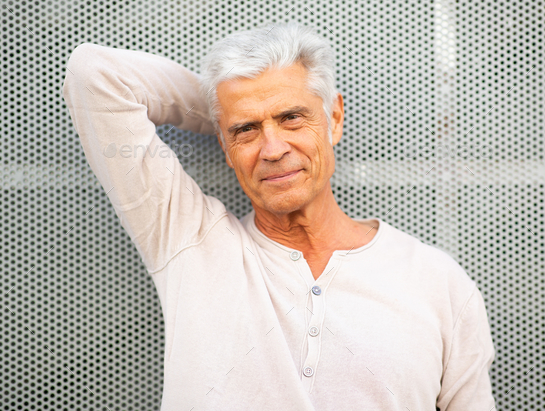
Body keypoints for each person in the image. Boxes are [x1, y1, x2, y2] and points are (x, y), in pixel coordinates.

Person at [63, 21, 495, 411]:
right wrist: (222, 106)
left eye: (292, 118)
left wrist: (239, 108)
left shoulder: (438, 283)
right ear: (225, 148)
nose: (272, 149)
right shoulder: (189, 243)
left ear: (334, 119)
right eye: (245, 130)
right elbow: (95, 74)